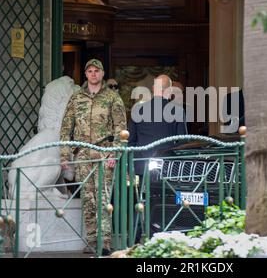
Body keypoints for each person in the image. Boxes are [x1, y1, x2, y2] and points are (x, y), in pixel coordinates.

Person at [60, 58, 127, 255]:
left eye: (96, 71)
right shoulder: (76, 98)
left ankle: (104, 242)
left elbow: (121, 129)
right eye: (90, 71)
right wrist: (64, 155)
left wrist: (114, 153)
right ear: (86, 74)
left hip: (105, 153)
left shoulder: (112, 98)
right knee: (88, 200)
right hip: (83, 156)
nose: (93, 74)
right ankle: (91, 241)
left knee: (103, 198)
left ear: (102, 73)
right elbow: (66, 127)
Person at [128, 75, 188, 176]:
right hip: (167, 166)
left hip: (141, 165)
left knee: (143, 192)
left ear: (153, 88)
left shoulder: (138, 110)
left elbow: (130, 141)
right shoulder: (177, 111)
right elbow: (183, 143)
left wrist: (131, 165)